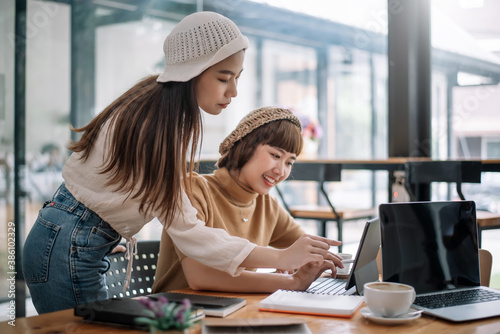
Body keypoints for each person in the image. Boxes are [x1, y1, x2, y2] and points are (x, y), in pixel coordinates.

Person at [22, 12, 340, 314]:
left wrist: (103, 231)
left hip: (74, 238)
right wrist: (282, 257)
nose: (234, 91)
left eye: (237, 78)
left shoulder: (156, 106)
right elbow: (189, 232)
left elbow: (94, 183)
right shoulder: (158, 125)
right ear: (192, 70)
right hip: (70, 244)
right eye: (223, 77)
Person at [152, 107, 344, 293]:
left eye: (289, 162)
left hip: (234, 312)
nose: (281, 171)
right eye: (275, 155)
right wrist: (291, 281)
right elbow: (200, 276)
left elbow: (305, 250)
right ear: (246, 146)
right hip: (174, 314)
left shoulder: (266, 204)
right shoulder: (192, 190)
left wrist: (309, 264)